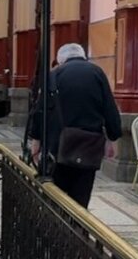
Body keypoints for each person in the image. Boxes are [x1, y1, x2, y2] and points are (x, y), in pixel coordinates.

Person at [29, 43, 122, 208]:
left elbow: (40, 110)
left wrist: (36, 142)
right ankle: (79, 231)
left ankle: (59, 230)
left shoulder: (54, 75)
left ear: (60, 60)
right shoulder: (97, 73)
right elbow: (109, 108)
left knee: (57, 197)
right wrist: (113, 138)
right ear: (83, 56)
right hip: (89, 146)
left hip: (58, 146)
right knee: (82, 197)